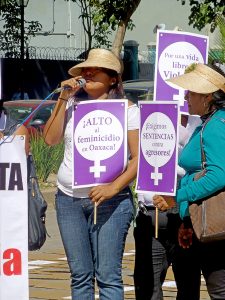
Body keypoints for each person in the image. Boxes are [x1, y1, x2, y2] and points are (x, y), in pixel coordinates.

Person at [43, 48, 139, 300]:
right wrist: (63, 98)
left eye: (95, 69)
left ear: (113, 78)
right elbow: (50, 139)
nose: (88, 73)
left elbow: (139, 159)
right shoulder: (71, 105)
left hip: (111, 202)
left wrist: (112, 188)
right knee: (80, 276)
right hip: (68, 201)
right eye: (85, 69)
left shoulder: (127, 109)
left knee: (108, 277)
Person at [153, 63, 225, 299]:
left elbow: (218, 175)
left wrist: (177, 198)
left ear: (207, 97)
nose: (185, 96)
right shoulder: (210, 123)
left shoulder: (214, 126)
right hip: (203, 220)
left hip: (217, 226)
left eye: (191, 92)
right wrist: (186, 219)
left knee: (220, 291)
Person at [134, 114, 201, 300]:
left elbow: (197, 167)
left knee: (188, 286)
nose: (187, 97)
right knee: (148, 287)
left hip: (184, 212)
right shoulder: (149, 116)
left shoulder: (202, 123)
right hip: (150, 211)